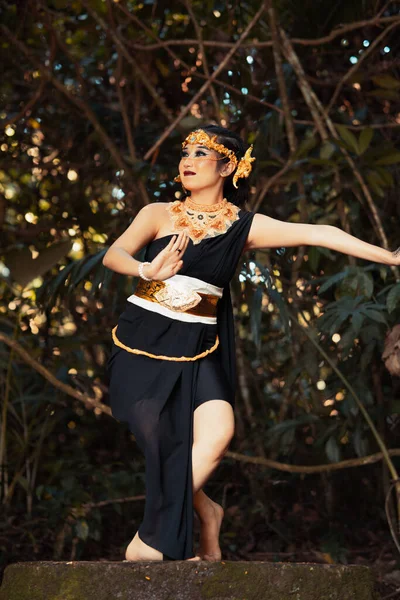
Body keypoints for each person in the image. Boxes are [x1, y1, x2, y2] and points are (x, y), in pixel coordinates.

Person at [103, 124, 400, 563]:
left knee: (219, 434)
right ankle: (205, 511)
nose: (188, 160)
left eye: (201, 153)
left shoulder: (245, 226)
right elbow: (115, 254)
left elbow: (319, 232)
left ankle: (151, 540)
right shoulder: (157, 212)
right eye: (185, 152)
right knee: (159, 439)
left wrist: (391, 257)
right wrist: (147, 272)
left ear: (229, 167)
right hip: (140, 337)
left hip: (199, 345)